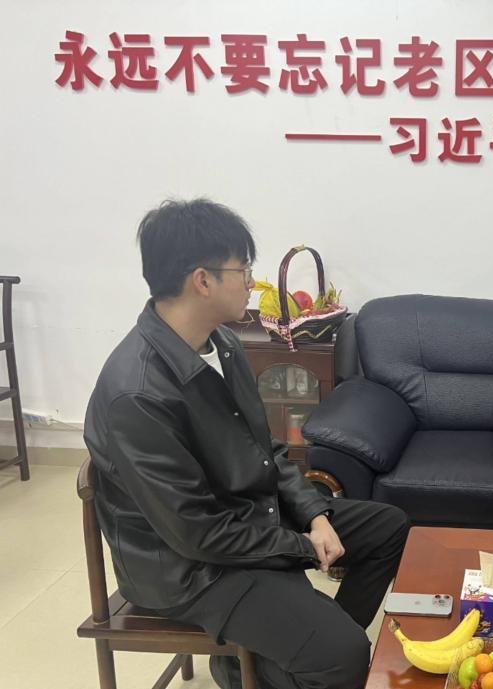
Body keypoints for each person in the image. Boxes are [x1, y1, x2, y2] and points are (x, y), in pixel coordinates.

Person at [84, 199, 409, 689]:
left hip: (247, 515)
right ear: (203, 281)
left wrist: (316, 516)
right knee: (345, 654)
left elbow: (267, 450)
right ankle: (285, 662)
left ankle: (269, 661)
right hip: (190, 568)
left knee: (388, 527)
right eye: (244, 270)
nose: (252, 283)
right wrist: (302, 546)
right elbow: (197, 535)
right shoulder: (138, 395)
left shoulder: (222, 344)